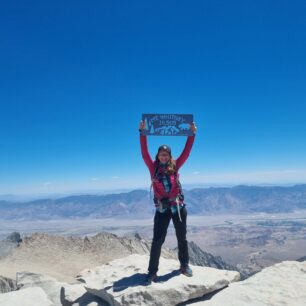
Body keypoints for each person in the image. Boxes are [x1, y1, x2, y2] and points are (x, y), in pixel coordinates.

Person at [139, 119, 197, 284]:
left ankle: (184, 265)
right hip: (162, 209)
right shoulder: (153, 167)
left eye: (166, 154)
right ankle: (152, 272)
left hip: (177, 207)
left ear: (169, 156)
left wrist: (192, 133)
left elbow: (187, 151)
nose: (163, 156)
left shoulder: (176, 165)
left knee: (182, 238)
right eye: (161, 154)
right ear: (158, 155)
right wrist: (142, 133)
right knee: (157, 240)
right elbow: (144, 152)